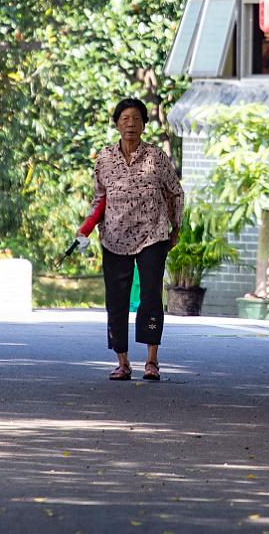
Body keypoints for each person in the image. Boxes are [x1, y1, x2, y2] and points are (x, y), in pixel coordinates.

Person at [90, 97, 182, 380]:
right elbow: (99, 196)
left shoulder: (156, 157)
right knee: (116, 300)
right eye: (125, 119)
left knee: (151, 295)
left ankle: (152, 360)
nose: (130, 124)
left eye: (136, 119)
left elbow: (175, 192)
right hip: (114, 237)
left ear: (144, 124)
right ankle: (122, 361)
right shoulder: (104, 158)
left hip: (152, 234)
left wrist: (175, 228)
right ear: (117, 124)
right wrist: (95, 227)